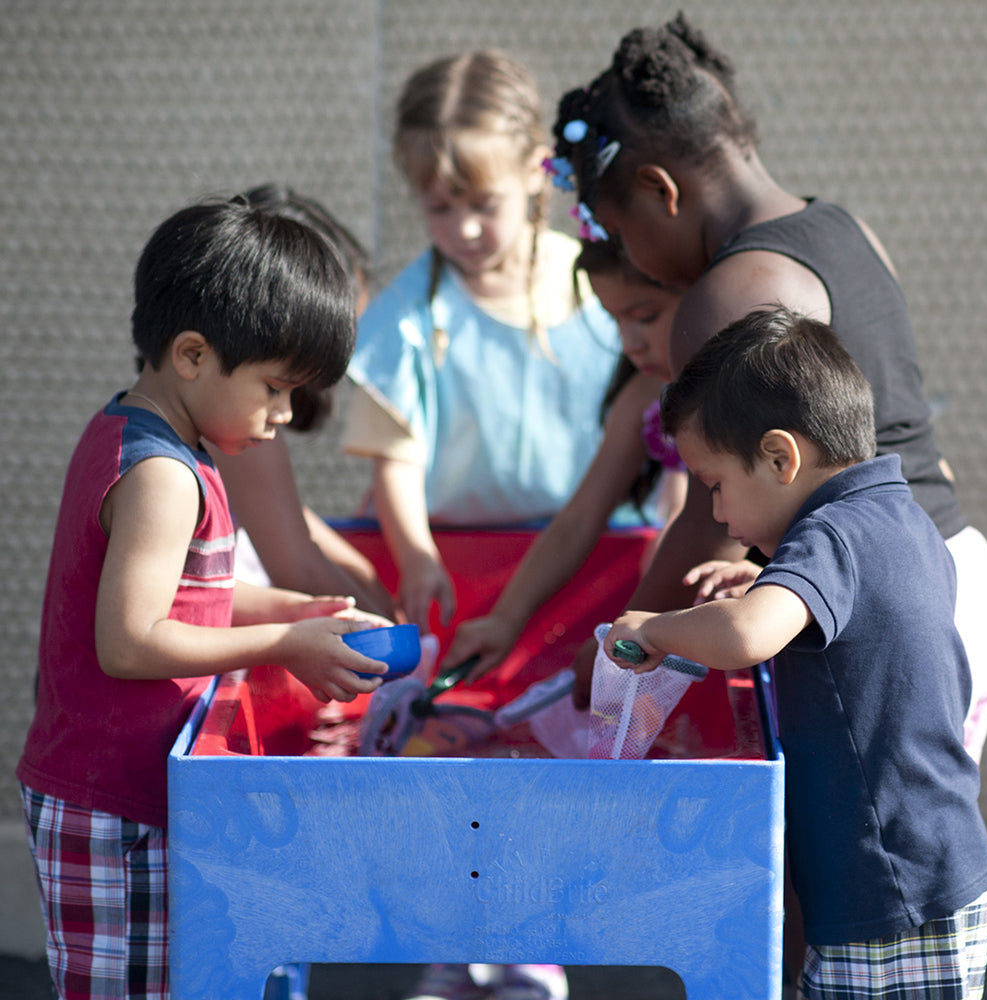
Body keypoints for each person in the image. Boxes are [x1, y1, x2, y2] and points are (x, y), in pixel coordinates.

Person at [549, 12, 987, 764]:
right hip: (948, 571)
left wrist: (623, 641)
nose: (633, 258)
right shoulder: (846, 226)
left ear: (661, 189)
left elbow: (709, 522)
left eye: (619, 235)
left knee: (854, 860)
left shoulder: (725, 298)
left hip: (874, 608)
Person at [16, 197, 393, 999]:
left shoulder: (169, 437)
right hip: (110, 807)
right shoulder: (160, 473)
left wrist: (299, 612)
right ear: (192, 354)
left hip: (140, 794)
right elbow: (132, 639)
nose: (284, 416)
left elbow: (200, 596)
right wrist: (286, 645)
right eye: (275, 389)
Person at [605, 307, 987, 999]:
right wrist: (767, 582)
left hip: (888, 889)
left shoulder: (830, 536)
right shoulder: (895, 514)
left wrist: (658, 628)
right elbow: (860, 611)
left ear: (782, 458)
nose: (718, 514)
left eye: (717, 484)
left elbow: (746, 635)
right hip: (932, 865)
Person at [341, 49, 620, 638]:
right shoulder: (407, 317)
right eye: (439, 207)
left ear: (535, 170)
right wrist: (416, 556)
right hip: (448, 563)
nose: (463, 229)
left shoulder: (602, 288)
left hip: (590, 560)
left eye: (483, 205)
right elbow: (394, 458)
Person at [443, 238, 685, 679]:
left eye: (646, 317)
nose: (629, 342)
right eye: (614, 321)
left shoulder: (738, 389)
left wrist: (632, 635)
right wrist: (505, 619)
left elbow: (706, 534)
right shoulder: (644, 398)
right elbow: (579, 519)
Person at [210, 183, 396, 620]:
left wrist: (367, 581)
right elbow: (297, 566)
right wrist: (395, 653)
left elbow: (292, 522)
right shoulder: (229, 420)